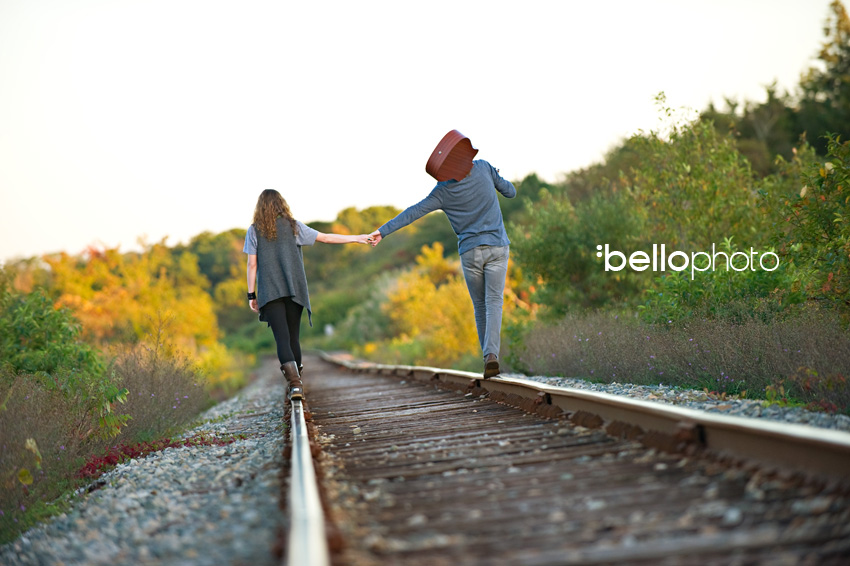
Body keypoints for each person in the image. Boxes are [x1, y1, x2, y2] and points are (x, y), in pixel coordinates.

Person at [369, 130, 516, 378]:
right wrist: (496, 176)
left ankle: (487, 358)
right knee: (493, 302)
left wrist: (382, 231)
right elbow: (511, 192)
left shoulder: (442, 192)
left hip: (470, 252)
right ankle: (492, 355)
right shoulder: (484, 168)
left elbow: (413, 212)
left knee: (480, 306)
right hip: (497, 247)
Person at [244, 189, 370, 400]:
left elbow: (251, 264)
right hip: (294, 290)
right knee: (294, 337)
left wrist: (251, 295)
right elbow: (326, 238)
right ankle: (297, 384)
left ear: (260, 208)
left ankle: (294, 385)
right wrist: (358, 238)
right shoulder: (294, 226)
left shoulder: (254, 231)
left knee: (282, 339)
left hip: (271, 292)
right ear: (281, 204)